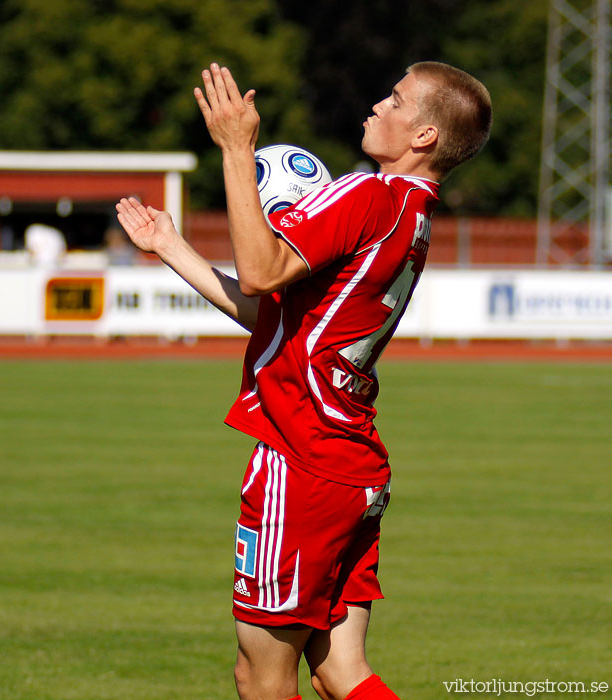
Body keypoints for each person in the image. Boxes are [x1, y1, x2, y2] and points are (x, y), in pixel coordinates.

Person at [116, 61, 491, 700]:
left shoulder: (367, 195)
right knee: (342, 674)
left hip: (302, 460)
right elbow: (272, 312)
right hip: (350, 461)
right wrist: (174, 249)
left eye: (394, 100)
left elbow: (261, 273)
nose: (376, 105)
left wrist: (238, 150)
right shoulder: (412, 215)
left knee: (259, 678)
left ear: (423, 136)